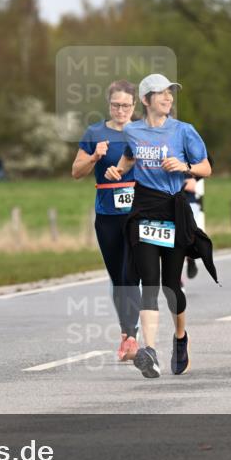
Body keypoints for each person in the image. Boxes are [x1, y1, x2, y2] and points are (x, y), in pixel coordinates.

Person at [105, 73, 216, 379]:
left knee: (171, 286)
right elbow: (129, 157)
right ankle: (150, 352)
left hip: (173, 210)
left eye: (170, 93)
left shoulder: (184, 131)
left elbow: (207, 167)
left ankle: (180, 338)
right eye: (161, 93)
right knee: (149, 283)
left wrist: (185, 167)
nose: (168, 98)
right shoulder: (134, 131)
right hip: (142, 210)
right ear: (145, 100)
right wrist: (118, 170)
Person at [71, 80, 141, 361]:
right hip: (107, 215)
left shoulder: (142, 132)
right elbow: (76, 172)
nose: (121, 110)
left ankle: (132, 335)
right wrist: (95, 157)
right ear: (108, 105)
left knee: (129, 273)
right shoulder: (94, 133)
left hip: (137, 213)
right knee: (117, 277)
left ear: (134, 106)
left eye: (126, 105)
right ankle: (126, 332)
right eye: (116, 105)